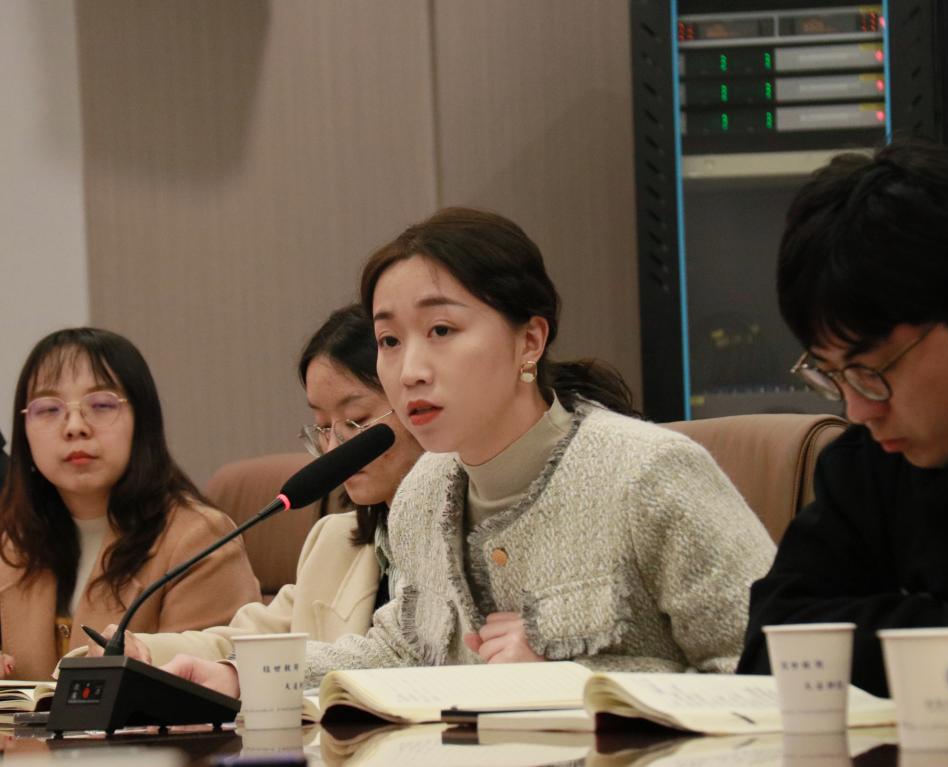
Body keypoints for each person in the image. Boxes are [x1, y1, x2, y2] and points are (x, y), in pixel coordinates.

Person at [163, 207, 775, 696]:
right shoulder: (424, 492)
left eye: (441, 331)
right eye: (389, 340)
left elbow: (765, 675)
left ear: (529, 341)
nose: (410, 370)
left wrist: (575, 682)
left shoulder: (648, 474)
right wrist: (243, 679)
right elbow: (398, 652)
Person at [737, 141, 948, 724]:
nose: (858, 410)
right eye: (832, 374)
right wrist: (947, 629)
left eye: (872, 370)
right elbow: (771, 644)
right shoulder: (869, 458)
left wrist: (856, 631)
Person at [80, 305, 424, 665]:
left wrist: (238, 673)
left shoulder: (456, 541)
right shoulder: (333, 541)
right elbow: (248, 643)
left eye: (356, 420)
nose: (334, 448)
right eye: (323, 427)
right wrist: (144, 652)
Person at [0, 328, 261, 680]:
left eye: (101, 405)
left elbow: (208, 686)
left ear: (142, 421)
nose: (75, 427)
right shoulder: (10, 540)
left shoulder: (200, 541)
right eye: (48, 409)